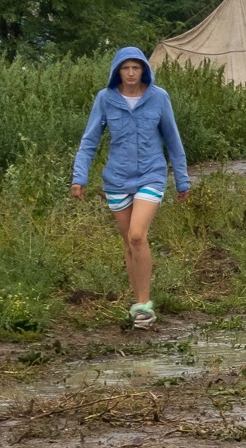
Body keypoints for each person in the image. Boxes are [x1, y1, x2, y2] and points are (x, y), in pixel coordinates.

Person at [70, 46, 190, 329]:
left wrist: (182, 180)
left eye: (136, 67)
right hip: (117, 179)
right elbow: (89, 141)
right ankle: (138, 304)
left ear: (144, 70)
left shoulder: (159, 98)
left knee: (137, 235)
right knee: (128, 243)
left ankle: (145, 306)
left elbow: (173, 141)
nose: (132, 73)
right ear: (117, 72)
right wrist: (79, 178)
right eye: (126, 68)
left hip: (151, 174)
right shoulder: (106, 99)